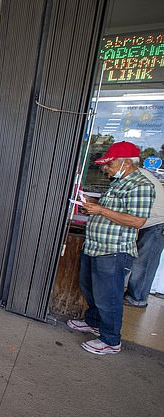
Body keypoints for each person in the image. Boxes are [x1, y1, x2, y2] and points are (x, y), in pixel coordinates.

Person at [67, 142, 154, 355]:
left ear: (126, 162)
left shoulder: (141, 185)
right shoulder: (118, 182)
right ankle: (94, 322)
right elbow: (111, 210)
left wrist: (100, 210)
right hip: (96, 246)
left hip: (114, 250)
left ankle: (111, 340)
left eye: (110, 164)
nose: (106, 168)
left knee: (109, 297)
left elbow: (137, 221)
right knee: (90, 288)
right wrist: (92, 207)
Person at [124, 167, 164, 307]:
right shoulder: (135, 175)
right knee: (141, 260)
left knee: (145, 262)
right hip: (149, 221)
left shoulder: (138, 177)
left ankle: (137, 298)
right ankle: (134, 295)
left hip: (157, 222)